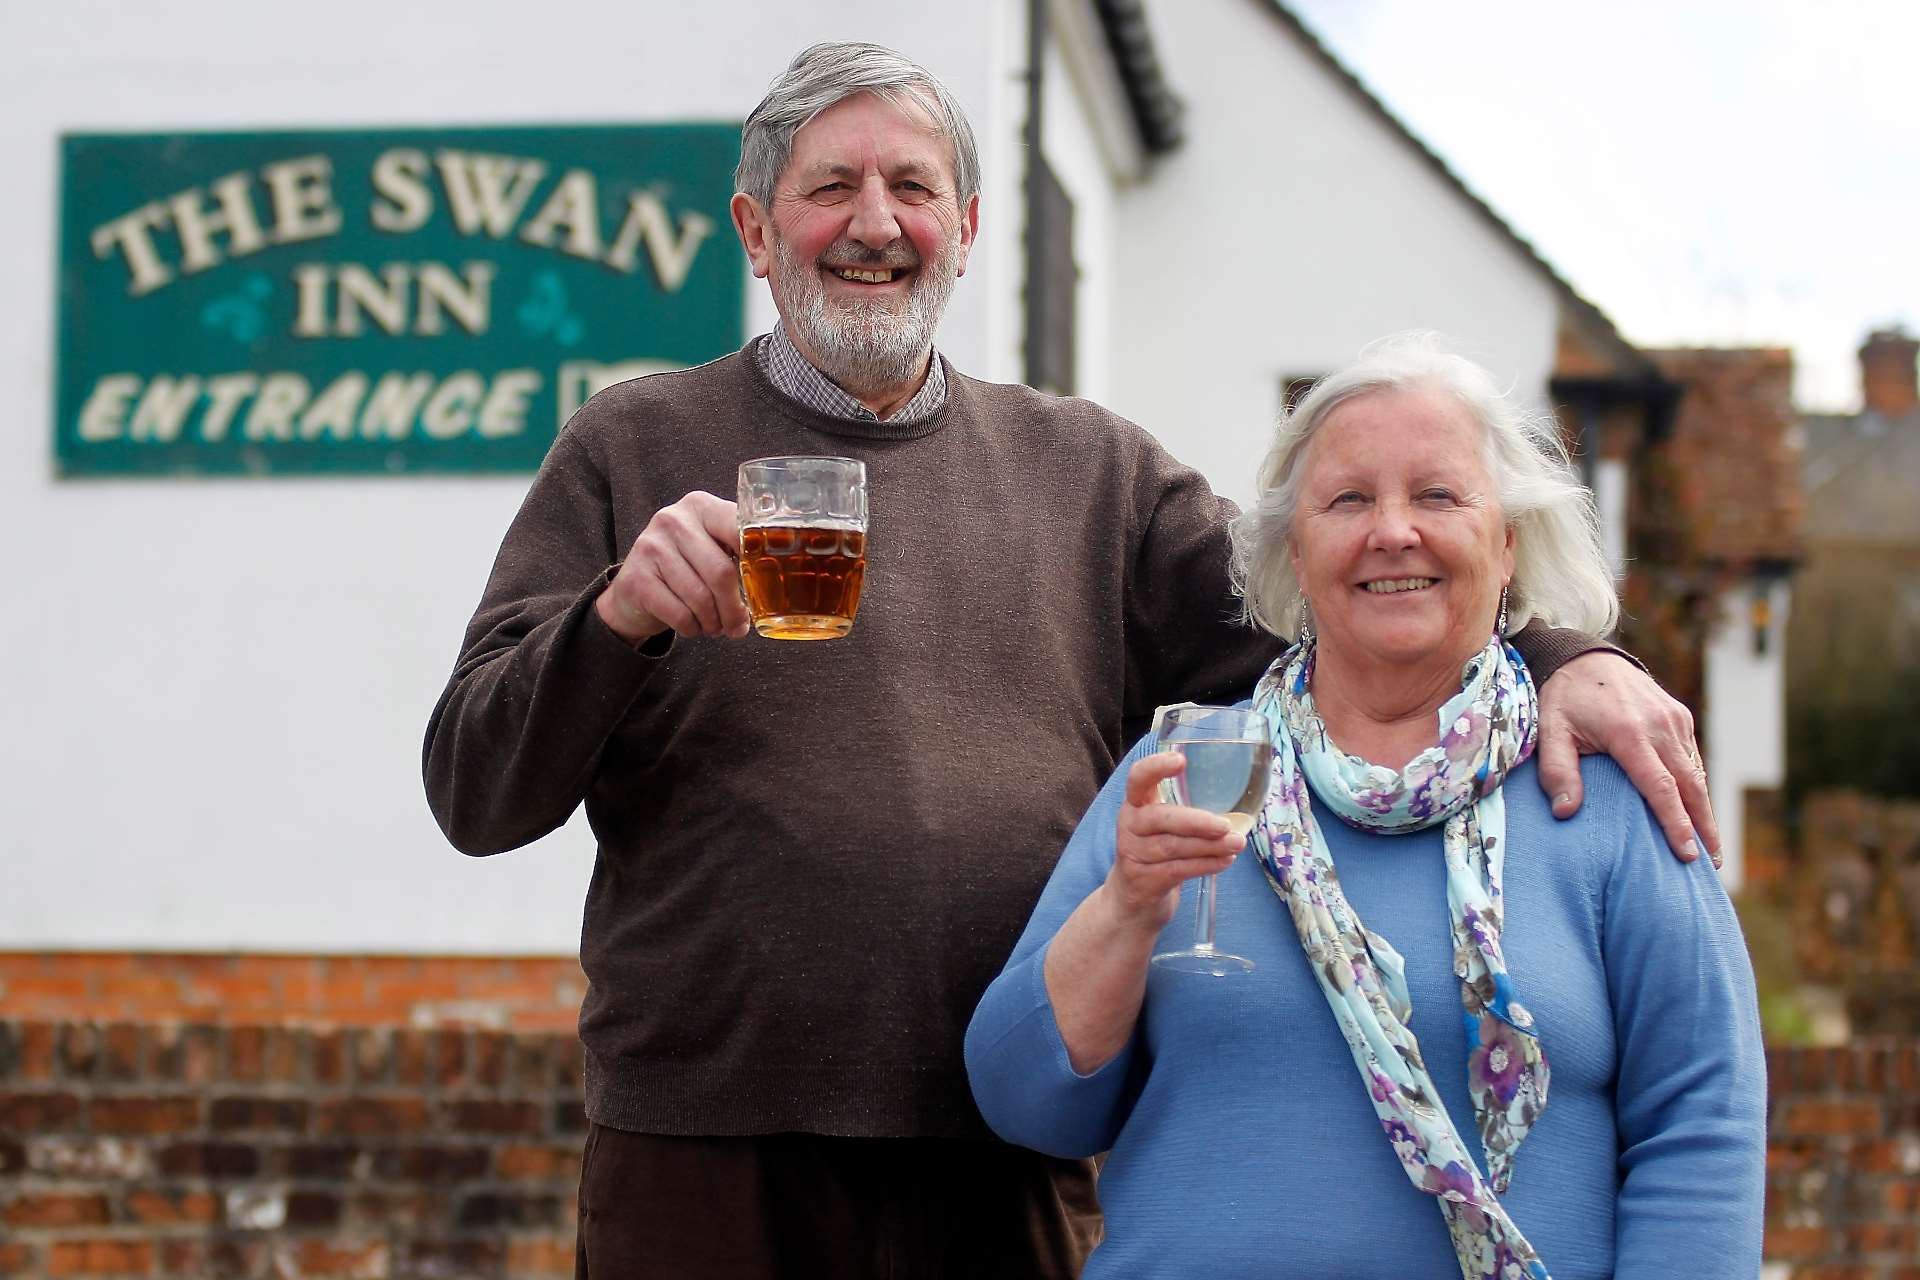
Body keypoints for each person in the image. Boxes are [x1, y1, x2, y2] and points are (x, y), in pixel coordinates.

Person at [424, 43, 1721, 1280]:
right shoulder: (632, 443)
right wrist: (613, 619)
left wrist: (1557, 650)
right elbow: (476, 794)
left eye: (912, 187)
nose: (875, 222)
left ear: (968, 229)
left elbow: (1338, 594)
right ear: (757, 231)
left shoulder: (1090, 471)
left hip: (1013, 1153)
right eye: (830, 187)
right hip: (710, 1150)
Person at [965, 335, 1765, 1280]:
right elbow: (1025, 1102)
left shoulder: (1601, 788)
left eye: (1437, 495)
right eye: (1348, 500)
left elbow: (1703, 1120)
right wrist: (1127, 910)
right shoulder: (1194, 770)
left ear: (1507, 543)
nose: (1393, 531)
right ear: (1295, 554)